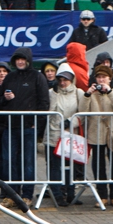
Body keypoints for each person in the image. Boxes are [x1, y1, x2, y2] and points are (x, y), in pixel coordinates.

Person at [0, 47, 50, 206]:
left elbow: (44, 103)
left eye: (23, 59)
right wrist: (5, 99)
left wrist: (37, 127)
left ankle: (27, 195)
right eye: (17, 59)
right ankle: (12, 195)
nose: (20, 62)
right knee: (9, 161)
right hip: (10, 127)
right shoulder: (10, 77)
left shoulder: (37, 77)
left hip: (28, 128)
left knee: (28, 162)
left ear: (28, 60)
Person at [79, 64, 113, 207]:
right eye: (99, 77)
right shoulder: (91, 93)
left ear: (110, 78)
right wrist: (88, 94)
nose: (101, 80)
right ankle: (102, 196)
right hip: (96, 132)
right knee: (98, 166)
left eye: (104, 77)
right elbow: (82, 110)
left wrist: (110, 92)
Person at [46, 63, 80, 206]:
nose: (63, 82)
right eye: (60, 79)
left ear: (72, 79)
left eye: (66, 79)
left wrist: (71, 123)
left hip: (70, 134)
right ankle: (57, 194)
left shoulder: (79, 93)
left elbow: (83, 113)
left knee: (70, 166)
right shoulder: (52, 93)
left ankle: (70, 193)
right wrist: (54, 93)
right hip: (53, 133)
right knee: (55, 166)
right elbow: (49, 111)